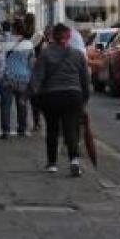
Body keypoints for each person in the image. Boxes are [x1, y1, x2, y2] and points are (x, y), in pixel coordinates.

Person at [30, 23, 90, 176]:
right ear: (68, 37)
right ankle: (74, 160)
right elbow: (85, 80)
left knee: (52, 128)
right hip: (73, 95)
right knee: (71, 128)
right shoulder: (78, 55)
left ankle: (52, 163)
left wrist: (32, 95)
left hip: (52, 95)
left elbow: (37, 78)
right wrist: (84, 99)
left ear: (52, 37)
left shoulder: (45, 54)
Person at [0, 18, 35, 139]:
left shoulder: (6, 41)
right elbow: (31, 63)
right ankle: (22, 129)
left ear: (13, 29)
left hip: (8, 76)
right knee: (22, 104)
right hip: (23, 78)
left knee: (5, 105)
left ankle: (5, 130)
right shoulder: (29, 44)